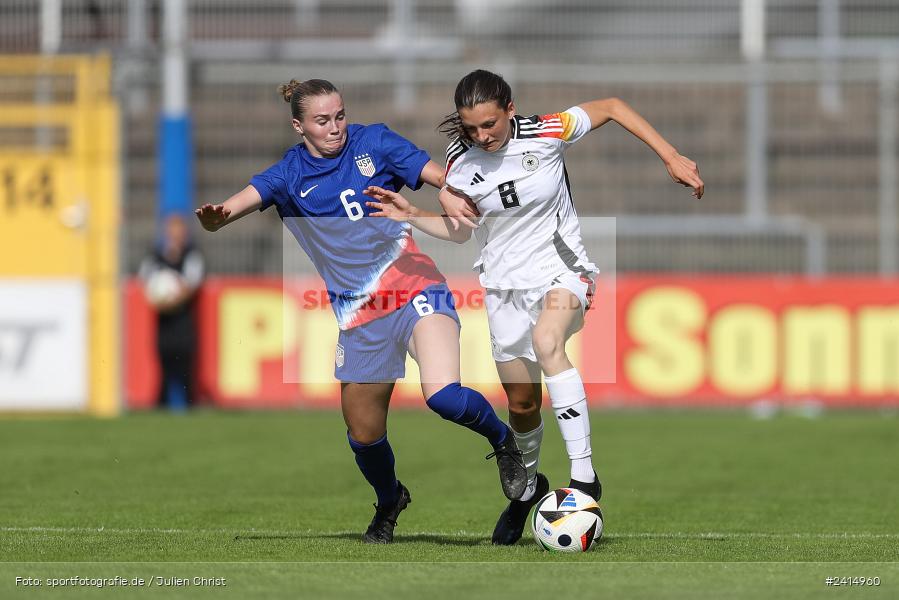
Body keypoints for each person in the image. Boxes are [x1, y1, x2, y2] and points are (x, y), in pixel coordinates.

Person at [364, 68, 704, 545]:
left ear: (509, 109)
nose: (481, 136)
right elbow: (461, 231)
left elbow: (611, 105)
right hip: (503, 288)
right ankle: (525, 494)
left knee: (549, 341)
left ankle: (584, 478)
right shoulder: (460, 161)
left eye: (490, 124)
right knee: (522, 405)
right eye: (471, 128)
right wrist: (414, 214)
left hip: (562, 272)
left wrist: (670, 155)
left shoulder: (546, 131)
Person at [194, 78, 526, 544]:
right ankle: (390, 500)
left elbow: (435, 174)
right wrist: (219, 216)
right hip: (360, 315)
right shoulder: (289, 175)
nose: (336, 128)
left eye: (340, 115)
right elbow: (238, 204)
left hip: (414, 287)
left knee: (443, 395)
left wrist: (448, 191)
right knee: (364, 435)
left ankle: (504, 441)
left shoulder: (374, 142)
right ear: (299, 126)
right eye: (322, 120)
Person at [139, 213, 206, 410]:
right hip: (163, 322)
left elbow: (191, 286)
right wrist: (161, 301)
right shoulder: (154, 257)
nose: (176, 233)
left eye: (179, 229)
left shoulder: (192, 256)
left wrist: (173, 300)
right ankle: (161, 407)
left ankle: (189, 406)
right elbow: (147, 284)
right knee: (164, 365)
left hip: (184, 321)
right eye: (172, 229)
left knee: (186, 367)